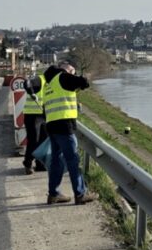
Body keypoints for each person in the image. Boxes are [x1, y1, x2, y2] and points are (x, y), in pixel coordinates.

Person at [42, 61, 96, 205]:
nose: (72, 72)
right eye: (72, 70)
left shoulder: (49, 82)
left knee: (57, 162)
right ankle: (80, 194)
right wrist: (75, 75)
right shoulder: (63, 77)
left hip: (52, 126)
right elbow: (84, 82)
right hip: (64, 126)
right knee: (73, 160)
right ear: (65, 68)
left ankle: (54, 194)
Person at [22, 73, 47, 174]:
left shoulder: (52, 83)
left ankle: (40, 164)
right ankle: (28, 163)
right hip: (32, 115)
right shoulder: (40, 79)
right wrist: (32, 93)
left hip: (43, 115)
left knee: (43, 140)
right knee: (34, 141)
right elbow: (27, 82)